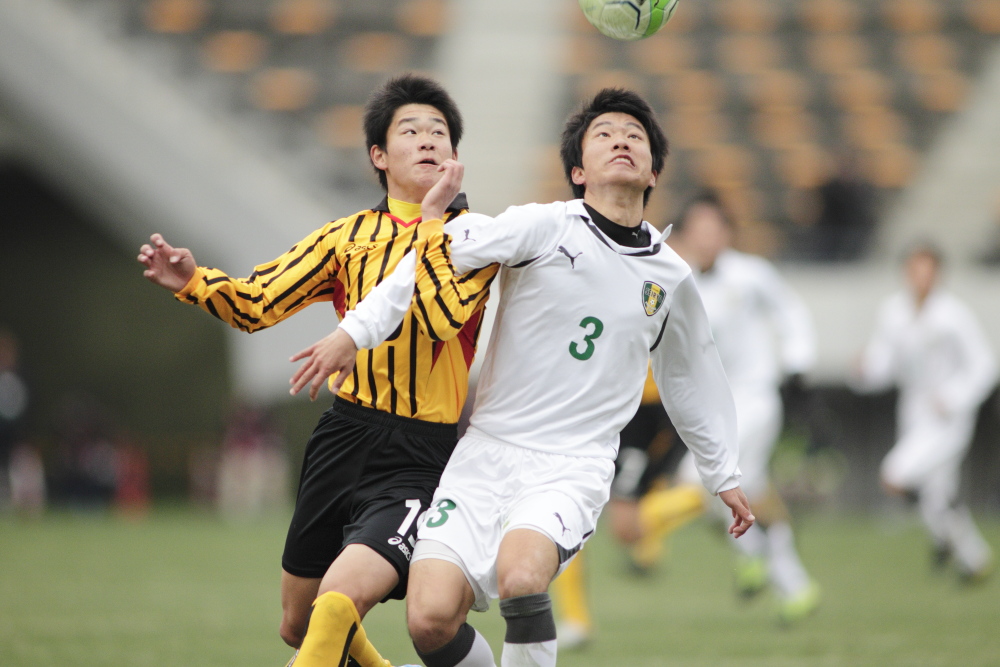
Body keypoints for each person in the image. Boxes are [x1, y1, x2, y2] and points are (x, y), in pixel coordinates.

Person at [297, 88, 754, 667]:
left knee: (521, 575)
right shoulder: (541, 228)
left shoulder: (671, 277)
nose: (621, 140)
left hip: (572, 464)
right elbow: (426, 263)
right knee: (430, 618)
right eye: (605, 134)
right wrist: (353, 333)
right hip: (484, 453)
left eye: (635, 137)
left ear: (654, 171)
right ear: (577, 170)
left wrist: (723, 471)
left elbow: (693, 378)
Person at [138, 74, 496, 667]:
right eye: (411, 131)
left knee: (337, 603)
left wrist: (432, 221)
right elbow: (258, 300)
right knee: (298, 623)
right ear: (379, 156)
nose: (429, 140)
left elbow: (436, 319)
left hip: (418, 455)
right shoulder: (346, 237)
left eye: (440, 133)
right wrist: (196, 282)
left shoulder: (476, 240)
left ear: (455, 158)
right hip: (342, 436)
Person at [669, 192, 821, 624]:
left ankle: (752, 559)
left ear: (727, 232)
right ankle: (794, 586)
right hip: (716, 405)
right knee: (737, 490)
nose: (706, 237)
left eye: (713, 228)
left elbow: (791, 311)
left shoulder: (751, 275)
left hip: (755, 399)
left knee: (707, 483)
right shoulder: (682, 280)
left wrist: (798, 362)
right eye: (697, 230)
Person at [852, 242, 996, 582]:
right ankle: (973, 560)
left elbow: (984, 365)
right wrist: (864, 370)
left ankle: (947, 539)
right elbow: (883, 363)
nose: (921, 278)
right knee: (935, 495)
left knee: (896, 475)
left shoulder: (953, 316)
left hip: (947, 416)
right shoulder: (893, 312)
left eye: (928, 270)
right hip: (913, 409)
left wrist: (955, 395)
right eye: (915, 269)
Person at [552, 367, 704, 650]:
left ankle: (704, 498)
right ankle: (575, 620)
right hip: (598, 404)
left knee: (623, 528)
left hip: (637, 407)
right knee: (566, 511)